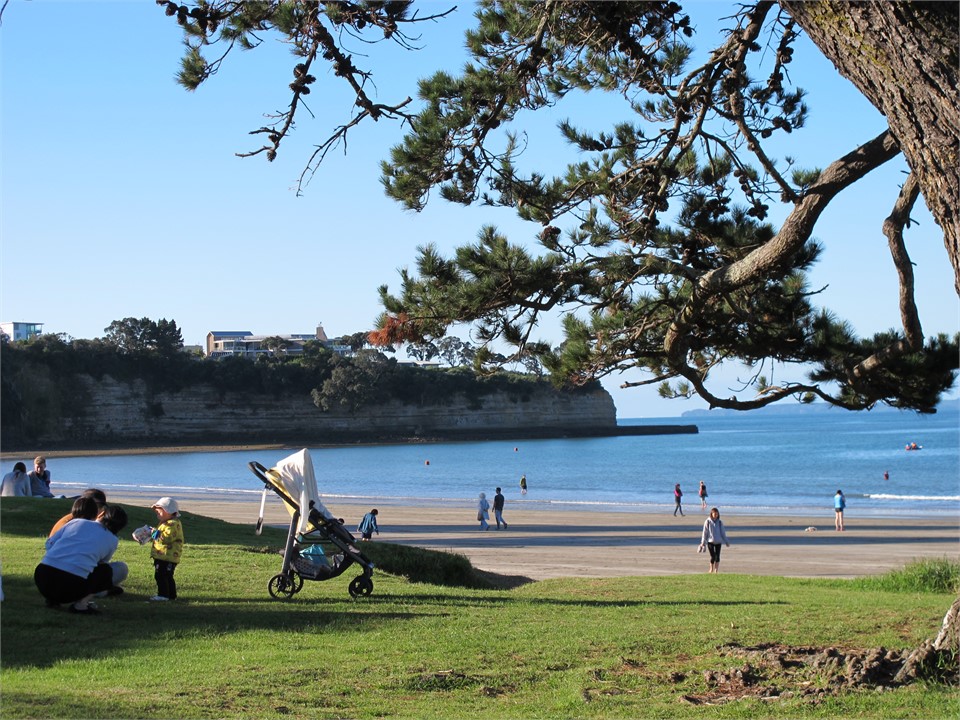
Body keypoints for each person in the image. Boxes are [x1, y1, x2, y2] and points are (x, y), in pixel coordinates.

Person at [34, 504, 129, 614]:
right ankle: (81, 605)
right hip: (71, 585)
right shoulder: (112, 540)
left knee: (63, 569)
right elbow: (102, 563)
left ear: (101, 514)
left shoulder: (77, 522)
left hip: (42, 576)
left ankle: (52, 599)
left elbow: (50, 543)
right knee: (105, 571)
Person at [148, 497, 185, 601]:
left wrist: (155, 533)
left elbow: (167, 538)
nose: (157, 513)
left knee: (161, 575)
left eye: (159, 511)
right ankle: (171, 596)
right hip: (163, 555)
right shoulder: (166, 523)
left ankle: (163, 595)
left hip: (167, 556)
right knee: (167, 575)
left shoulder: (172, 524)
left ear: (168, 511)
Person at [698, 507, 731, 573]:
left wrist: (726, 541)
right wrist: (703, 543)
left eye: (717, 514)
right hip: (710, 541)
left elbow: (723, 533)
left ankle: (716, 570)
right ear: (711, 514)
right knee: (713, 556)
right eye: (714, 514)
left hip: (718, 542)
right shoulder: (707, 521)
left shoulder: (720, 522)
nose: (715, 515)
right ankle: (711, 569)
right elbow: (705, 533)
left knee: (717, 556)